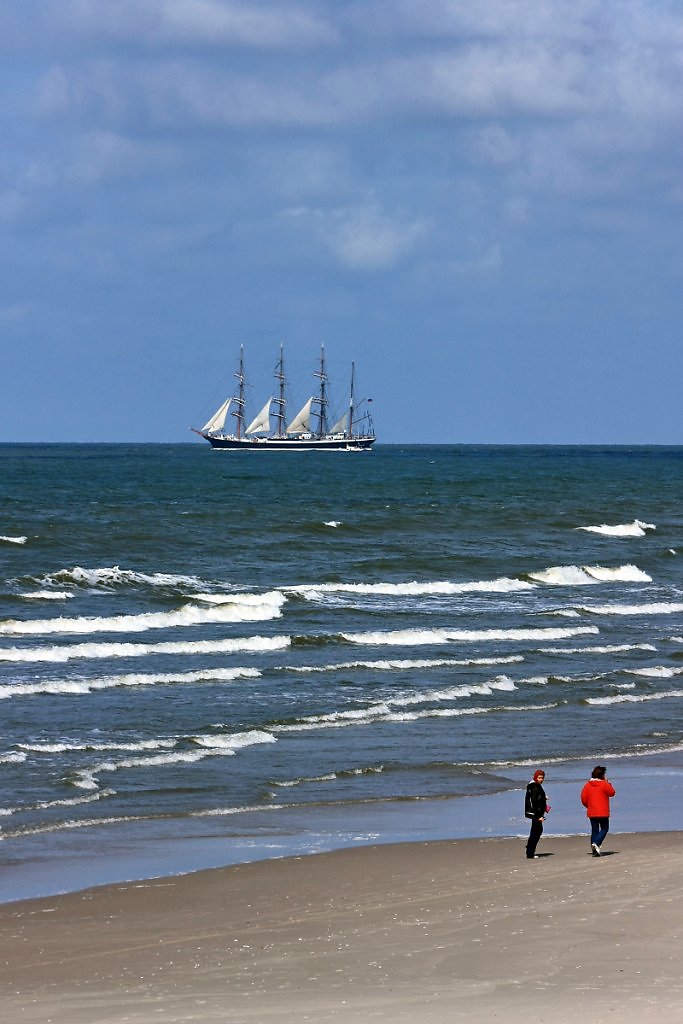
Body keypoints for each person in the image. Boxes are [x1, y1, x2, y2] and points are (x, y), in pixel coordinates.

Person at [580, 765, 615, 856]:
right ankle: (596, 843)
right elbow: (612, 793)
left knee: (595, 830)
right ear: (602, 775)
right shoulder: (604, 784)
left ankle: (594, 849)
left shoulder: (587, 785)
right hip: (602, 811)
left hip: (592, 811)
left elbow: (583, 798)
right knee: (604, 828)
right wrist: (608, 783)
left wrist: (589, 806)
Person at [524, 769, 548, 859]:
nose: (541, 779)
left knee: (536, 831)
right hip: (535, 813)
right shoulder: (534, 786)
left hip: (535, 813)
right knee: (536, 831)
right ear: (535, 777)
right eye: (539, 778)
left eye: (542, 778)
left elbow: (536, 798)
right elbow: (534, 801)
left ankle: (530, 850)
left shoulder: (534, 785)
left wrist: (543, 798)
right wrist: (539, 817)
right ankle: (530, 852)